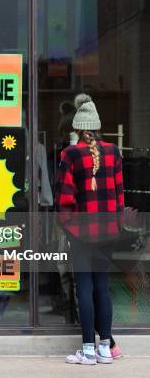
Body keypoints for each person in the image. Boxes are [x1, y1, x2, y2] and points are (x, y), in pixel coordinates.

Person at [55, 95, 124, 365]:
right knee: (102, 288)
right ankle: (105, 348)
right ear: (96, 126)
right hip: (108, 231)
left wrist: (70, 229)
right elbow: (120, 196)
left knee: (83, 288)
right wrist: (117, 225)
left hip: (82, 234)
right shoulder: (114, 152)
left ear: (76, 128)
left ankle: (87, 350)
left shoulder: (70, 154)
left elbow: (64, 200)